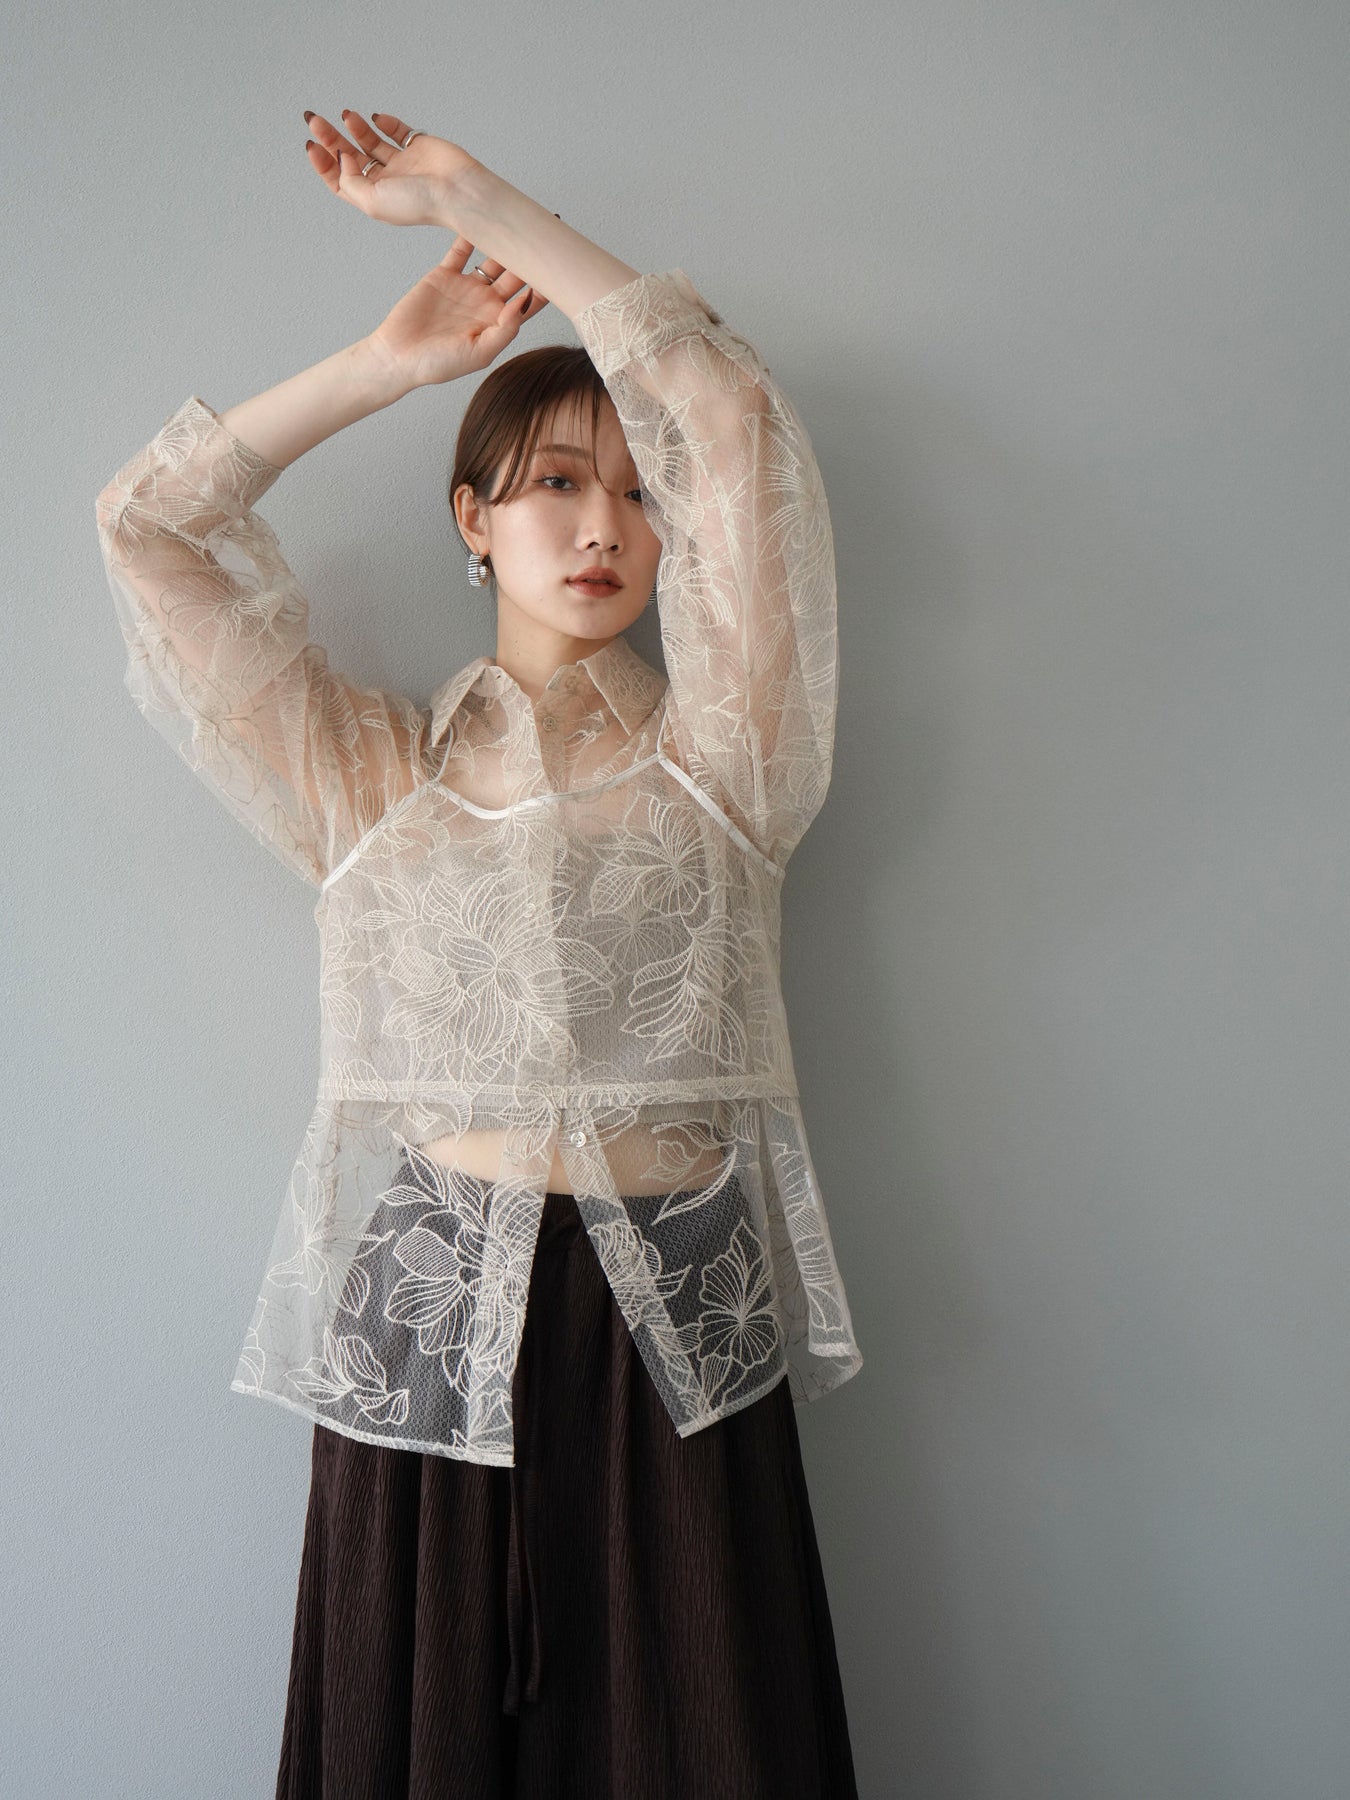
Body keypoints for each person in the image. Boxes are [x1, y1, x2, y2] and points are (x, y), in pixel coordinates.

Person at [96, 108, 864, 1799]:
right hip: (431, 1309)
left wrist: (480, 203)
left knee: (707, 1737)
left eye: (638, 495)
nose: (605, 526)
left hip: (675, 1311)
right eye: (557, 483)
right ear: (473, 516)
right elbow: (148, 537)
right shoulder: (371, 776)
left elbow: (731, 419)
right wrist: (386, 364)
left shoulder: (729, 761)